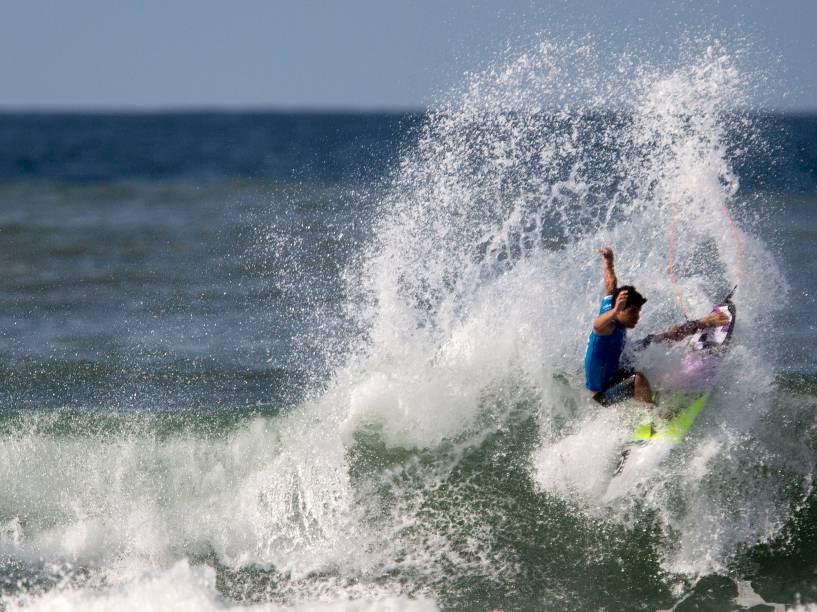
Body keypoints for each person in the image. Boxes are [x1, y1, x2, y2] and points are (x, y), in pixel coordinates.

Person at [584, 247, 729, 406]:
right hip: (602, 392)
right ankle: (653, 417)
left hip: (619, 363)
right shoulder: (606, 326)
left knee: (659, 339)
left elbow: (610, 284)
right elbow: (596, 326)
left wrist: (608, 262)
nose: (637, 317)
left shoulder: (611, 304)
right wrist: (615, 311)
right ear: (619, 310)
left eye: (638, 312)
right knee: (638, 380)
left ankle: (703, 322)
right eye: (633, 313)